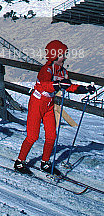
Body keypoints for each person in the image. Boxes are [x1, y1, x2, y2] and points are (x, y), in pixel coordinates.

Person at [14, 39, 95, 174]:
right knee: (33, 136)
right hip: (37, 103)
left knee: (52, 136)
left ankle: (45, 162)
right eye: (62, 54)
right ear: (55, 55)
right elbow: (44, 85)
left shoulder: (63, 72)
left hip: (49, 104)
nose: (64, 57)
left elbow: (69, 87)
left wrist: (85, 89)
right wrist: (57, 85)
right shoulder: (46, 70)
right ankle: (19, 162)